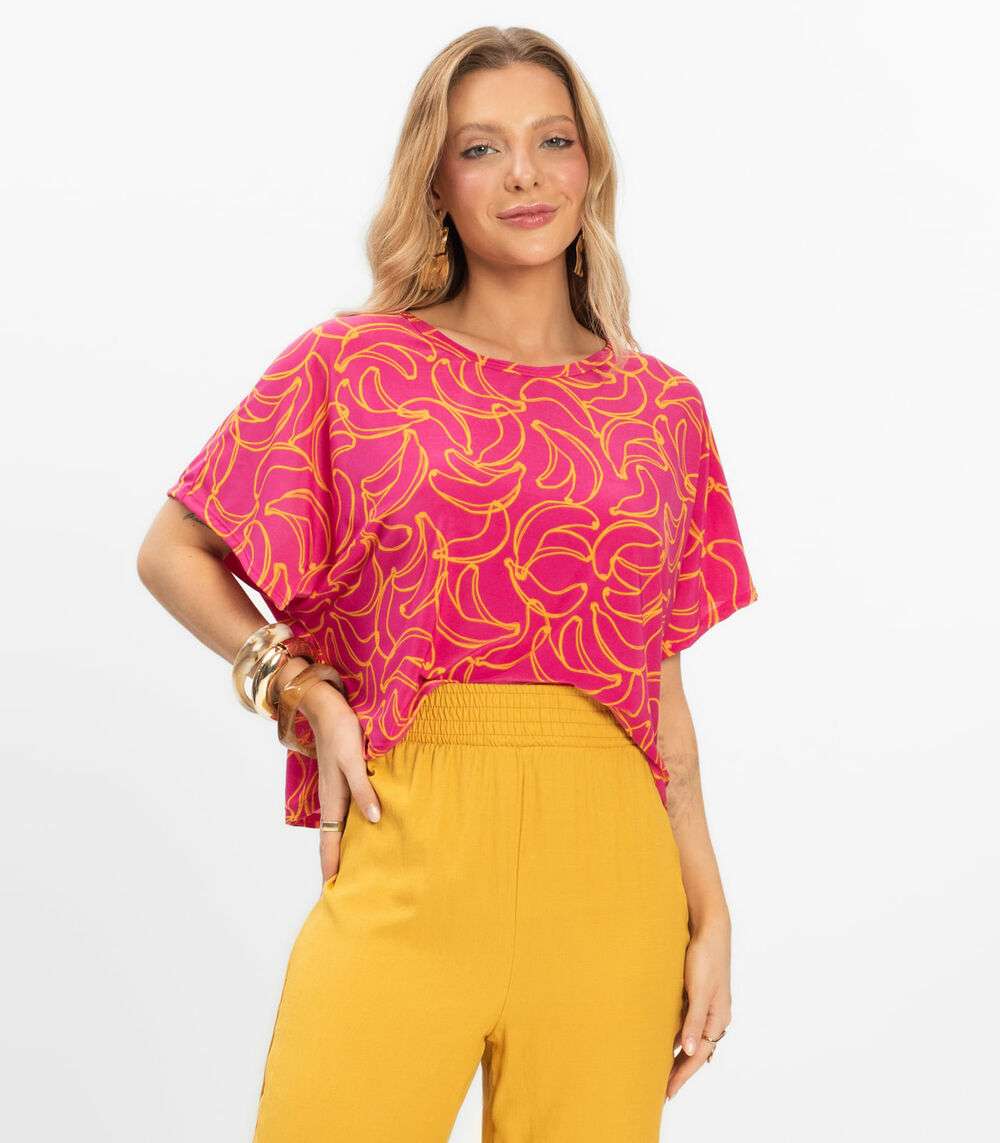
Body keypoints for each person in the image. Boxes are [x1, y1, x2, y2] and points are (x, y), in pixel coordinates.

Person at [137, 25, 759, 1143]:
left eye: (552, 140)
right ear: (435, 181)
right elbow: (173, 550)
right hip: (412, 830)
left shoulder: (661, 407)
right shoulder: (352, 364)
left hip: (612, 869)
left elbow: (658, 686)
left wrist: (708, 911)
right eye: (481, 148)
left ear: (590, 166)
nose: (523, 174)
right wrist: (300, 685)